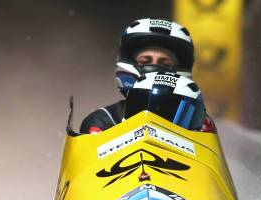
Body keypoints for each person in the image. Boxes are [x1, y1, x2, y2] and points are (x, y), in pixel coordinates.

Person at [79, 18, 216, 134]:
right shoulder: (102, 121)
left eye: (165, 64)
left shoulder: (199, 122)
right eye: (145, 61)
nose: (154, 69)